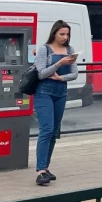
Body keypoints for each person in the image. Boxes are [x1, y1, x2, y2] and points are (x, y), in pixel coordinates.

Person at [32, 20, 78, 186]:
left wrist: (61, 77)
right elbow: (41, 74)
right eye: (62, 34)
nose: (65, 37)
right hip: (44, 92)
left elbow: (74, 74)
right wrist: (59, 64)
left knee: (54, 132)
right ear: (54, 34)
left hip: (61, 92)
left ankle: (46, 166)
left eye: (67, 34)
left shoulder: (70, 50)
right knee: (47, 129)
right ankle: (40, 171)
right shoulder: (45, 49)